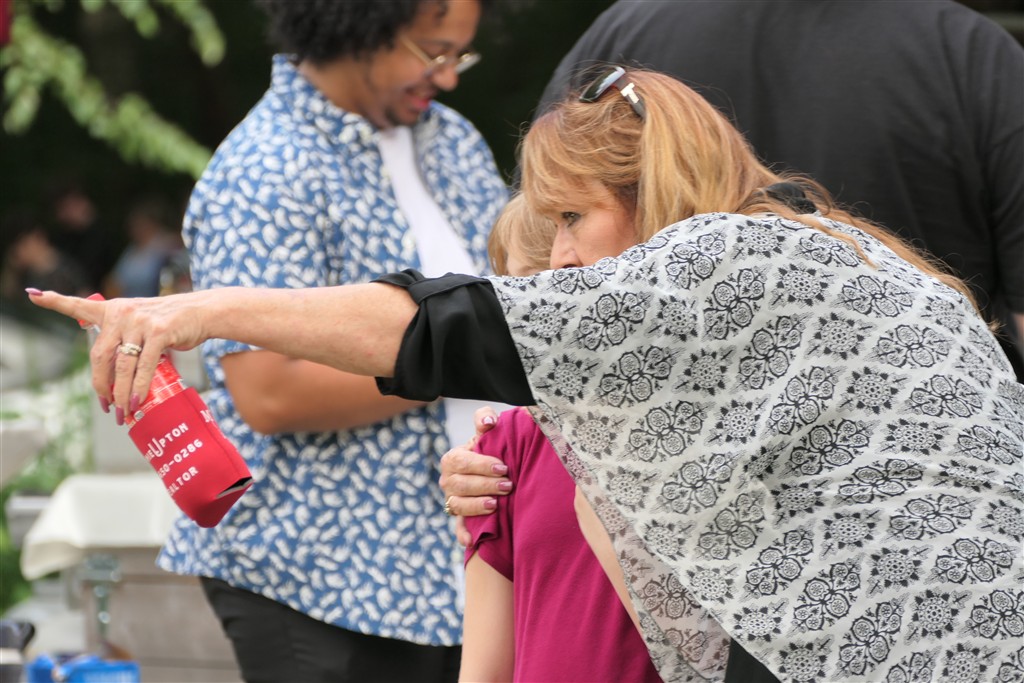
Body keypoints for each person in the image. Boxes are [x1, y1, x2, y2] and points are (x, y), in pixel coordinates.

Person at [30, 67, 1024, 683]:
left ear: (655, 192)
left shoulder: (722, 258)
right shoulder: (851, 257)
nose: (557, 257)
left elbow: (452, 326)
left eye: (573, 216)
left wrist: (195, 312)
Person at [152, 1, 507, 681]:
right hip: (318, 577)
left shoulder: (453, 140)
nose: (448, 76)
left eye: (459, 55)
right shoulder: (265, 169)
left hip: (450, 571)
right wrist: (466, 356)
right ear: (360, 24)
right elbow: (269, 392)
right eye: (433, 51)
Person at [534, 0, 1024, 381]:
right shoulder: (968, 52)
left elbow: (534, 267)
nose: (561, 256)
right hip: (926, 434)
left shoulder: (622, 35)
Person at [460, 195, 664, 682]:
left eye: (533, 295)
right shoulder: (507, 445)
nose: (516, 324)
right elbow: (483, 669)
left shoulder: (680, 425)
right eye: (505, 295)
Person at [104, 197, 183, 299]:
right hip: (130, 301)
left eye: (139, 223)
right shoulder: (132, 249)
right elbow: (113, 281)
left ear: (151, 223)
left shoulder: (169, 244)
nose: (134, 228)